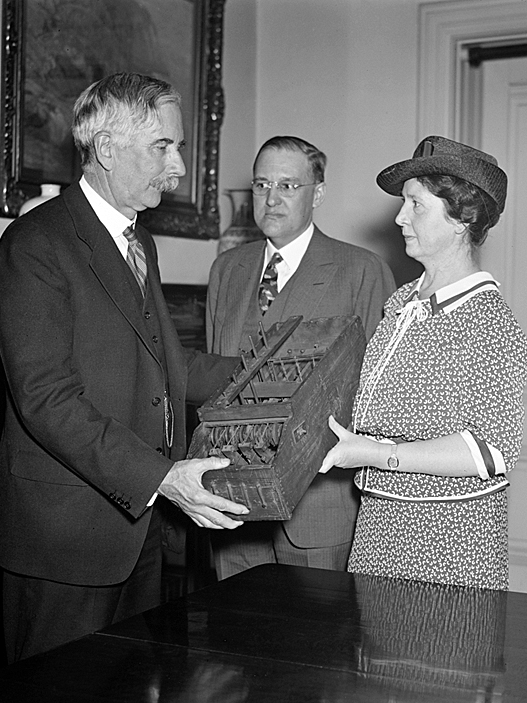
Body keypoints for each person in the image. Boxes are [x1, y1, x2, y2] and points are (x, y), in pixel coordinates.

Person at [0, 72, 248, 662]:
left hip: (137, 533)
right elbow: (47, 400)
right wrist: (162, 478)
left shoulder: (139, 241)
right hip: (65, 542)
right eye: (165, 146)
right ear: (106, 148)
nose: (179, 166)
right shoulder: (35, 244)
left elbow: (170, 368)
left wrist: (275, 371)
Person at [319, 136, 527, 590]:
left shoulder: (489, 321)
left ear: (461, 218)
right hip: (379, 525)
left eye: (416, 204)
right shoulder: (402, 301)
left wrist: (376, 454)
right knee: (374, 658)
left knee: (438, 657)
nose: (399, 217)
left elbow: (490, 451)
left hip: (446, 541)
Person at [206, 135, 396, 579]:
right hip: (233, 507)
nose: (271, 199)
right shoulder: (227, 270)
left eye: (289, 186)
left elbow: (381, 399)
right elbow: (215, 386)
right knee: (235, 638)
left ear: (319, 194)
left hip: (318, 509)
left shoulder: (361, 271)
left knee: (318, 643)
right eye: (261, 185)